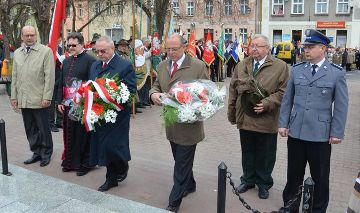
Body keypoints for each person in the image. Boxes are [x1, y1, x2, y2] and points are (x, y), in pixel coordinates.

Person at [278, 29, 349, 213]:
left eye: (311, 47)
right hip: (297, 132)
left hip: (320, 135)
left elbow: (341, 106)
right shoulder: (297, 70)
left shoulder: (336, 73)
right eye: (305, 46)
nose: (306, 50)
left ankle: (317, 209)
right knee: (293, 174)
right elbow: (287, 99)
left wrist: (337, 132)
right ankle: (290, 207)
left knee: (320, 177)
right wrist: (283, 123)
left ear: (323, 49)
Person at [149, 34, 209, 212]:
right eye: (168, 48)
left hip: (190, 124)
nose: (170, 52)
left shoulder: (197, 66)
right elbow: (157, 85)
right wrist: (153, 95)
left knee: (181, 162)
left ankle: (174, 201)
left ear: (184, 47)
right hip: (171, 122)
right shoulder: (161, 65)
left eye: (174, 49)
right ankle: (189, 184)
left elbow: (207, 92)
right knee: (179, 157)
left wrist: (190, 101)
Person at [227, 34, 289, 199]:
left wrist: (268, 103)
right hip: (245, 117)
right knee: (247, 151)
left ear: (267, 49)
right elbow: (233, 89)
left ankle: (263, 183)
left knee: (266, 153)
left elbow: (285, 92)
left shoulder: (280, 66)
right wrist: (232, 113)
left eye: (258, 46)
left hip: (266, 119)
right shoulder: (242, 64)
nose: (253, 48)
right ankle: (248, 180)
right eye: (252, 45)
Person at [89, 36, 136, 192]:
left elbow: (131, 90)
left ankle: (122, 165)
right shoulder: (95, 65)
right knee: (104, 146)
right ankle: (111, 179)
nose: (100, 54)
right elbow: (91, 86)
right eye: (97, 51)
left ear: (112, 49)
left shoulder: (124, 66)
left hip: (118, 115)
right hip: (99, 114)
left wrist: (112, 97)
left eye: (103, 51)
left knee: (115, 146)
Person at [10, 25, 55, 167]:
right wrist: (13, 96)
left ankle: (46, 153)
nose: (30, 38)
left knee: (43, 128)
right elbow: (15, 76)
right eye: (27, 35)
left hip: (39, 98)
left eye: (32, 35)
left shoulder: (45, 51)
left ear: (36, 36)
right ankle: (36, 152)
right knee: (30, 128)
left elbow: (50, 76)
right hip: (23, 98)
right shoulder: (17, 53)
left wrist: (47, 97)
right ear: (22, 37)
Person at [57, 32, 96, 176]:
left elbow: (92, 83)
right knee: (69, 133)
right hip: (67, 103)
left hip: (82, 103)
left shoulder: (90, 60)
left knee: (82, 135)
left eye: (74, 45)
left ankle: (85, 163)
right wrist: (60, 100)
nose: (71, 48)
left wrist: (84, 99)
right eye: (69, 45)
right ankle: (70, 162)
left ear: (81, 44)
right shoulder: (66, 61)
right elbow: (61, 82)